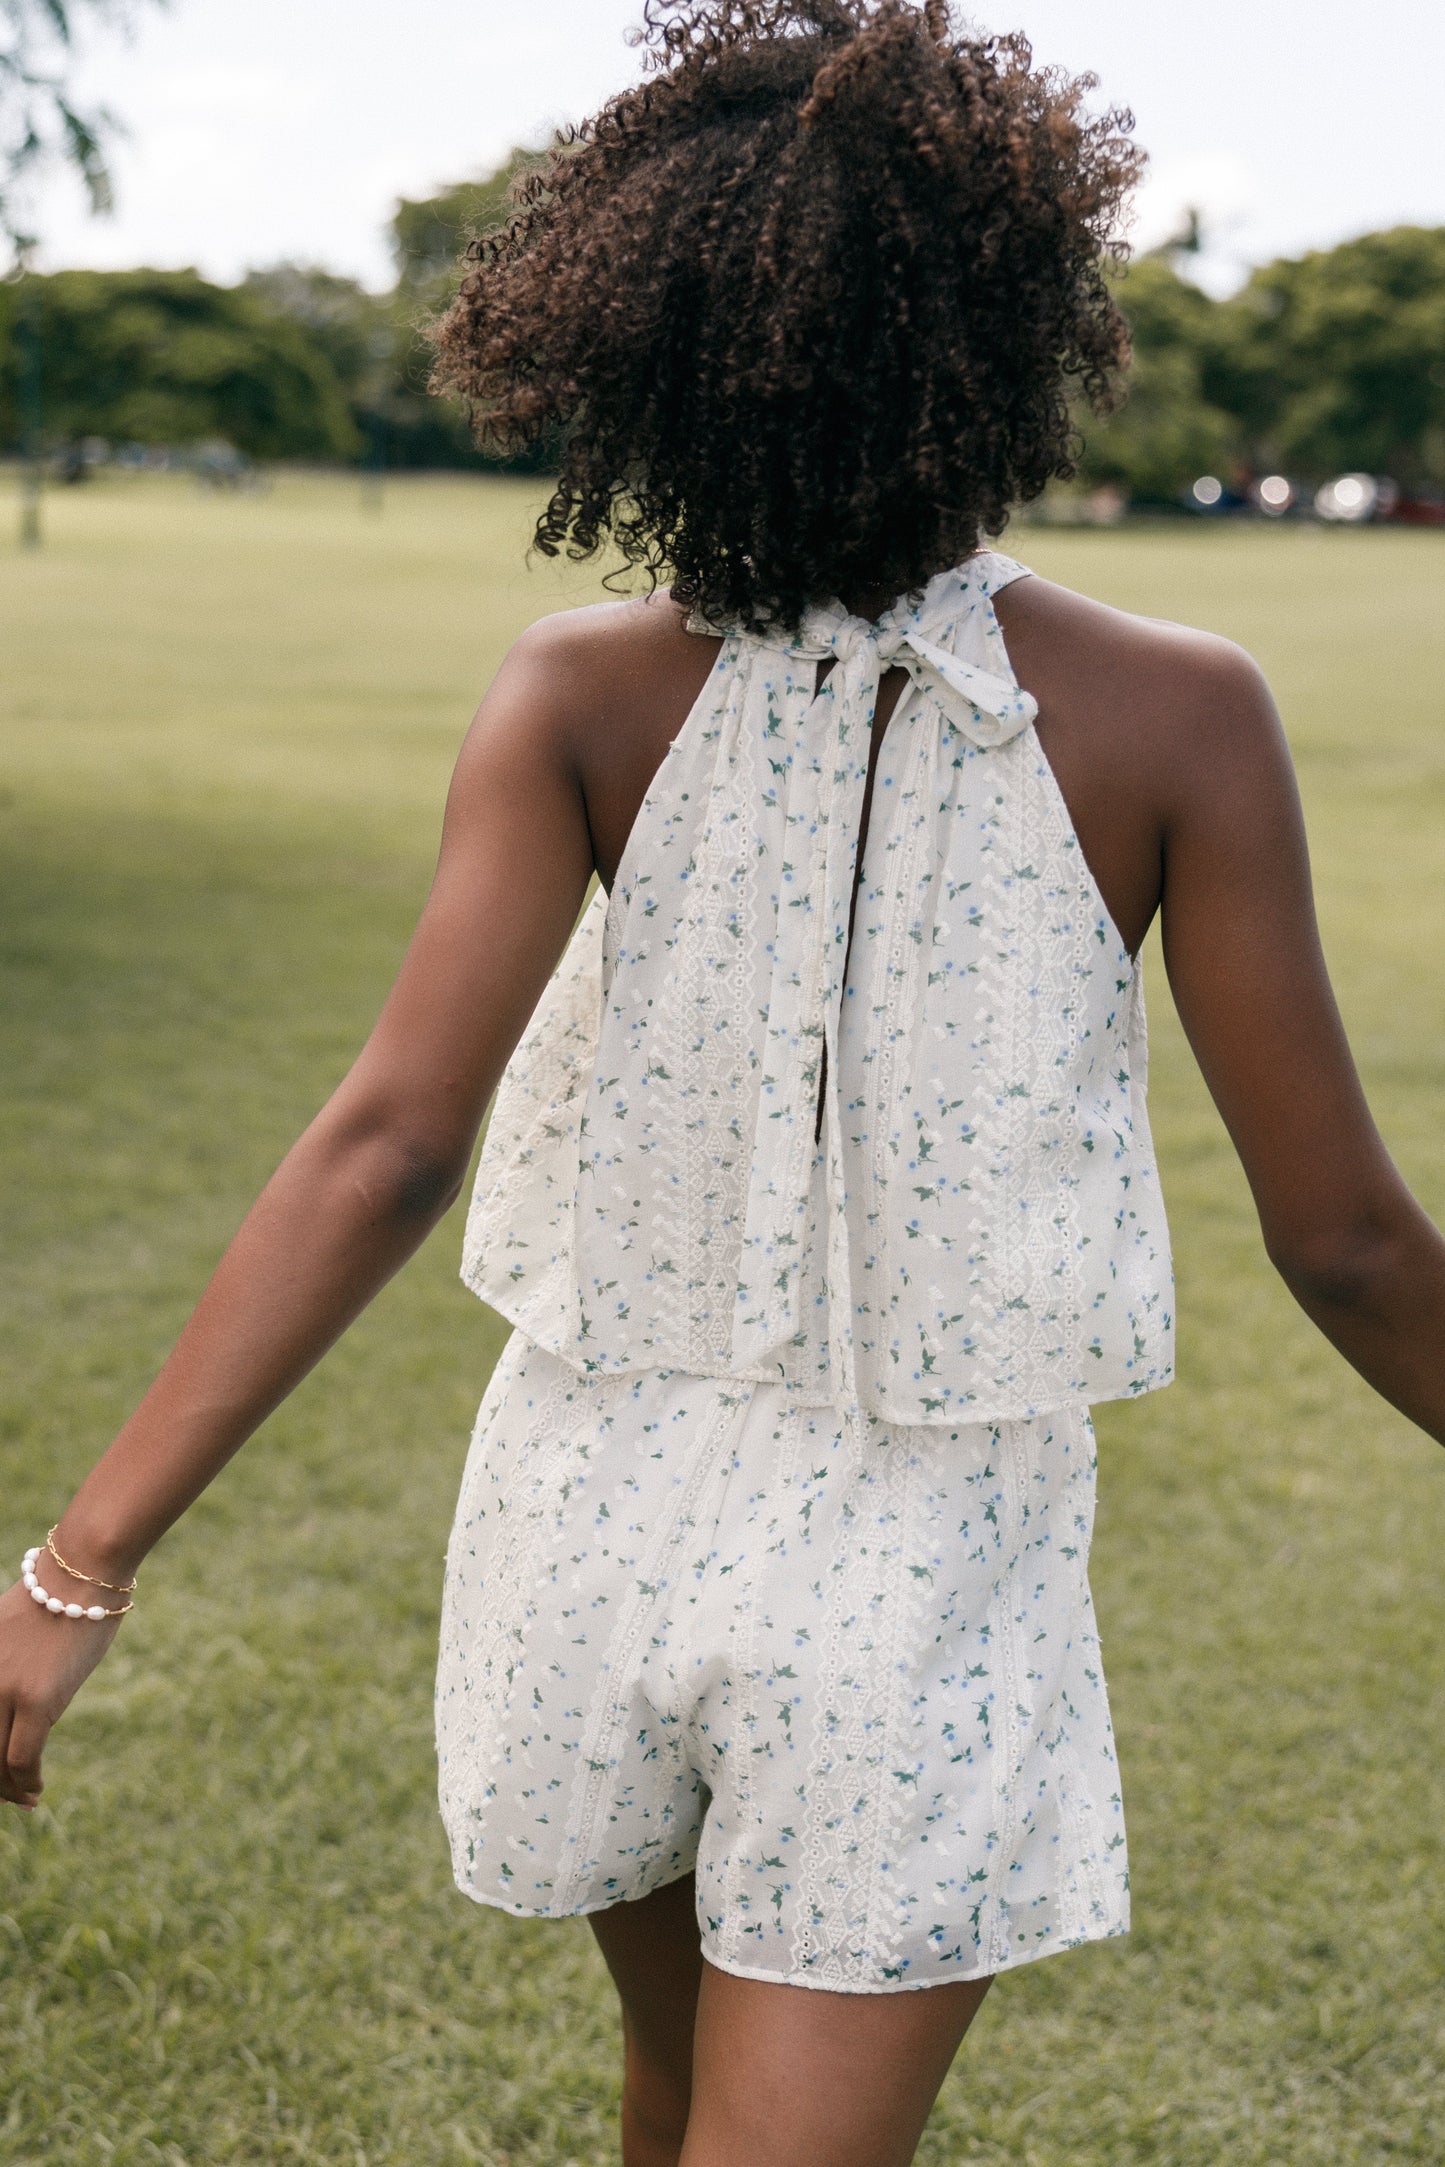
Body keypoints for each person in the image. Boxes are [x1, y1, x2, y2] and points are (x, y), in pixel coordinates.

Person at [4, 4, 1443, 2162]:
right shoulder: (1177, 715)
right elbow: (1342, 1239)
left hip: (590, 1513)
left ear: (656, 356)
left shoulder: (582, 687)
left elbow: (392, 1144)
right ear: (1017, 327)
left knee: (686, 2107)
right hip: (909, 1559)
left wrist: (70, 1573)